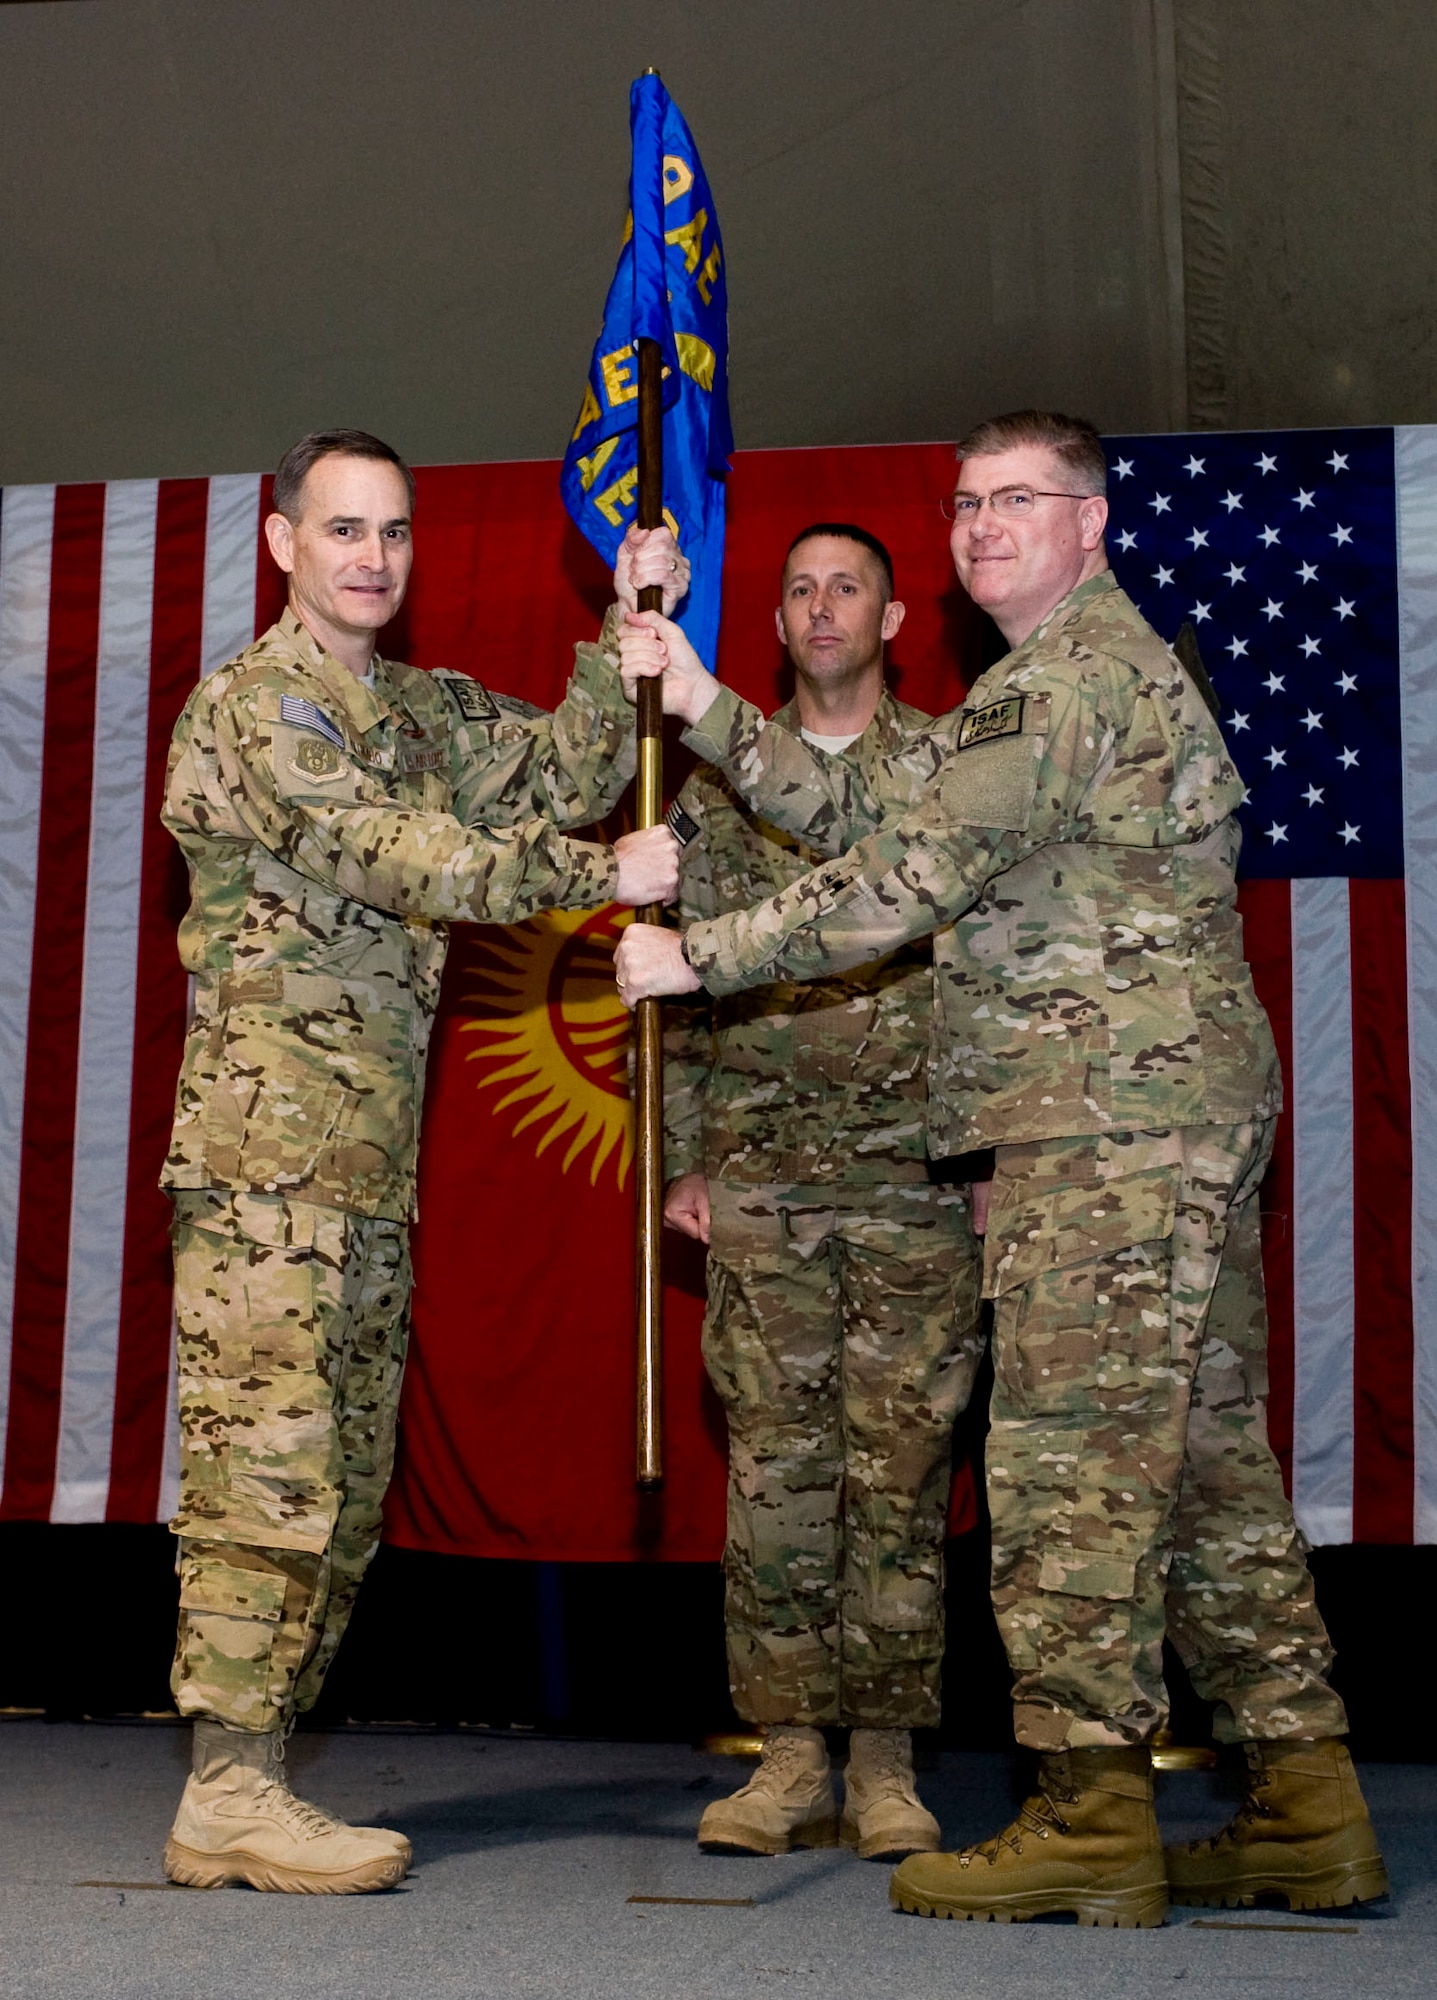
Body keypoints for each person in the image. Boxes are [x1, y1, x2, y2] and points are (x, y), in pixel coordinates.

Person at [614, 410, 1388, 1927]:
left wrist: (694, 956)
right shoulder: (1024, 694)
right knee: (1210, 1474)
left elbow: (896, 881)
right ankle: (1308, 1801)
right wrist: (703, 701)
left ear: (1089, 523)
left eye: (1017, 501)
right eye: (965, 502)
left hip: (1106, 1130)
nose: (980, 526)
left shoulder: (1074, 682)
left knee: (1068, 1469)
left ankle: (1090, 1812)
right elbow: (875, 809)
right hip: (1137, 1121)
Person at [160, 429, 681, 1895]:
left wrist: (624, 625)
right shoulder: (260, 711)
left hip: (362, 1167)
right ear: (282, 545)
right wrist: (600, 880)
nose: (371, 557)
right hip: (267, 1168)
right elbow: (403, 856)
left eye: (392, 531)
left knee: (343, 1480)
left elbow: (559, 767)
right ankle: (228, 1786)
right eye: (342, 530)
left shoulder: (415, 706)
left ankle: (251, 1784)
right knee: (268, 1477)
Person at [660, 525, 983, 1860]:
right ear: (778, 621)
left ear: (898, 616)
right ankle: (787, 1754)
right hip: (764, 1179)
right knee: (776, 1478)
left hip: (910, 1177)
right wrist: (682, 1154)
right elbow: (675, 981)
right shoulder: (709, 787)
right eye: (797, 587)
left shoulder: (950, 773)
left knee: (899, 1472)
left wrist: (978, 1155)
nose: (819, 605)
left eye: (845, 583)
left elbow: (984, 977)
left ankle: (888, 1761)